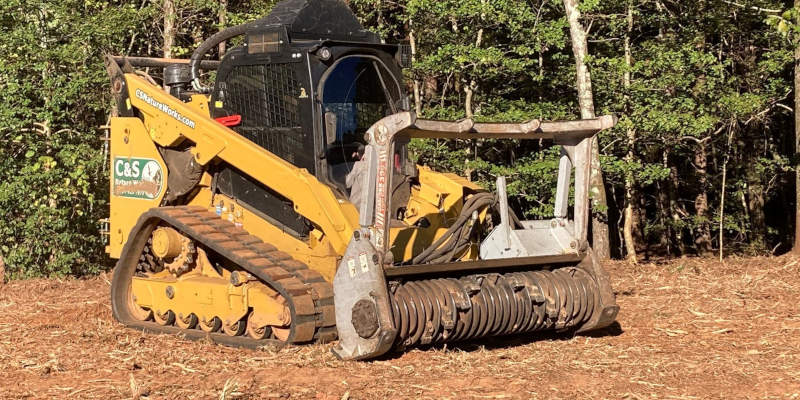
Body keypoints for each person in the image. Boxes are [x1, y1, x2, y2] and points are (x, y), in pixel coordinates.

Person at [346, 144, 367, 208]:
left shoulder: (357, 165)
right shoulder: (374, 165)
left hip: (356, 203)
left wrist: (346, 176)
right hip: (368, 203)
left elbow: (348, 183)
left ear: (357, 154)